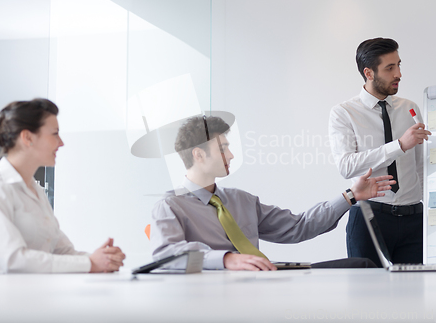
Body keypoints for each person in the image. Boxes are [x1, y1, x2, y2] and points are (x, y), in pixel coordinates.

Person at [150, 115, 395, 271]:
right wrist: (226, 259)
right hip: (217, 293)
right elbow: (167, 255)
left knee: (360, 265)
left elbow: (299, 226)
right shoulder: (171, 206)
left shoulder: (240, 200)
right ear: (198, 154)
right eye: (223, 148)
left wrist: (351, 195)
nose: (232, 155)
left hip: (261, 280)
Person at [329, 38, 431, 266]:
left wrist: (429, 207)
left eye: (399, 65)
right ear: (369, 73)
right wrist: (399, 145)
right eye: (390, 68)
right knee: (368, 298)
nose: (399, 74)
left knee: (414, 296)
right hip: (369, 219)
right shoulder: (344, 113)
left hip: (414, 219)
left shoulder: (409, 108)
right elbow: (346, 166)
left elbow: (420, 165)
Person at [0, 98, 126, 273]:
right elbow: (13, 259)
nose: (61, 142)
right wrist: (91, 263)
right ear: (27, 137)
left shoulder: (36, 191)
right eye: (55, 133)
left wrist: (103, 259)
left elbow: (62, 251)